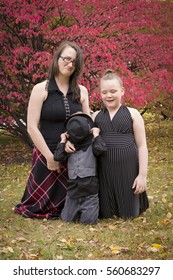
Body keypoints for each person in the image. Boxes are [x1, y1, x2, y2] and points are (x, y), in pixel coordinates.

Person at [14, 41, 90, 219]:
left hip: (74, 154)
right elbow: (32, 126)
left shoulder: (82, 91)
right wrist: (50, 157)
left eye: (74, 62)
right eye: (67, 59)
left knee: (73, 207)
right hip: (45, 152)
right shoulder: (41, 89)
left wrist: (74, 141)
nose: (70, 64)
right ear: (57, 58)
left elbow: (86, 124)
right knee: (37, 206)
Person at [92, 69, 149, 219]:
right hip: (105, 173)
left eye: (113, 91)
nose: (109, 95)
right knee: (105, 215)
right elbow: (82, 136)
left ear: (122, 91)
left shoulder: (133, 113)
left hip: (128, 172)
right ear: (100, 94)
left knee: (130, 215)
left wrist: (142, 175)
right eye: (104, 92)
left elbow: (142, 146)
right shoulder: (96, 116)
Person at [54, 113, 107, 224]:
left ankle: (86, 212)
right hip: (73, 192)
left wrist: (96, 135)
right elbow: (58, 157)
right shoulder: (68, 146)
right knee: (66, 220)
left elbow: (101, 149)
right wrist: (63, 141)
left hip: (90, 191)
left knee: (88, 222)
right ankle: (75, 211)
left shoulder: (93, 143)